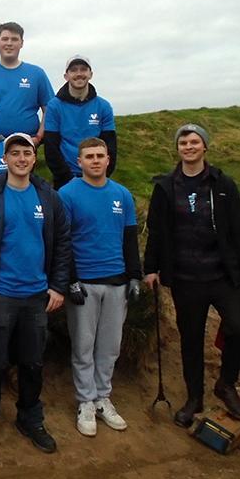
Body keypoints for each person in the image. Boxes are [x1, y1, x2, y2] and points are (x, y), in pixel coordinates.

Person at [0, 132, 71, 458]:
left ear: (33, 158)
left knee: (33, 363)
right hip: (1, 295)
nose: (21, 158)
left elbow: (63, 244)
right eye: (15, 153)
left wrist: (58, 285)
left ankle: (29, 418)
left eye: (27, 153)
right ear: (5, 159)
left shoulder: (49, 197)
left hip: (37, 294)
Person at [143, 124, 240, 428]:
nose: (189, 147)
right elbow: (156, 231)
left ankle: (226, 384)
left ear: (205, 147)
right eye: (183, 142)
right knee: (190, 339)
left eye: (194, 142)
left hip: (222, 274)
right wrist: (150, 268)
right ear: (177, 149)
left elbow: (239, 230)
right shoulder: (165, 186)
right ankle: (194, 399)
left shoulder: (223, 184)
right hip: (184, 277)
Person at [58, 138, 141, 437]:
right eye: (89, 156)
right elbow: (62, 241)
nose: (95, 161)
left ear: (108, 159)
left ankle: (103, 396)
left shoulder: (122, 195)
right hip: (85, 283)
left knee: (109, 346)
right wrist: (70, 280)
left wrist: (134, 276)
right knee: (83, 346)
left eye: (100, 156)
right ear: (79, 162)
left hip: (116, 281)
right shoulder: (67, 194)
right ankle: (85, 401)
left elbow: (129, 238)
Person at [0, 22, 52, 141]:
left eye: (14, 39)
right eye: (5, 39)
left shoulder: (37, 73)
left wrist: (39, 137)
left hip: (26, 144)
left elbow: (49, 109)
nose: (9, 43)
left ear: (21, 43)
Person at [44, 55, 117, 189]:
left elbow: (110, 146)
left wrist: (102, 176)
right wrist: (67, 178)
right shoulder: (54, 106)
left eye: (83, 69)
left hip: (96, 177)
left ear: (90, 74)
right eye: (74, 70)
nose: (79, 74)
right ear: (66, 76)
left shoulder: (103, 106)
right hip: (65, 179)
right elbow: (51, 147)